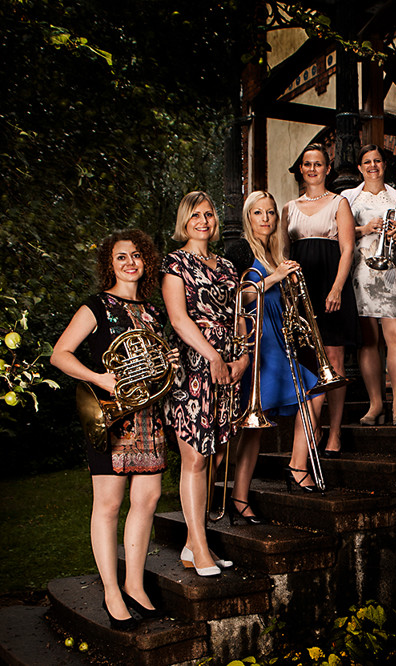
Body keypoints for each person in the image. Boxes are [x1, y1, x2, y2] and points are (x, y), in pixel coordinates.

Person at [51, 229, 175, 628]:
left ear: (146, 262)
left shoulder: (153, 312)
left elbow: (154, 367)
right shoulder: (96, 306)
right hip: (111, 414)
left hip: (147, 415)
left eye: (137, 256)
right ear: (110, 263)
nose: (130, 262)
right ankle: (110, 591)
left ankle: (135, 586)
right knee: (108, 506)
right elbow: (60, 355)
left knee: (149, 498)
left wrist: (167, 359)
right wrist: (100, 378)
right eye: (121, 257)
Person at [162, 191, 246, 577]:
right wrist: (213, 356)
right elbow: (179, 320)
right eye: (196, 215)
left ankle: (191, 545)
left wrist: (242, 355)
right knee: (194, 458)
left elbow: (238, 317)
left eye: (209, 214)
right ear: (185, 220)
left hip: (228, 370)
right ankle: (200, 546)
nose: (204, 220)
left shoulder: (228, 266)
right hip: (194, 368)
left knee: (212, 455)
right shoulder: (174, 263)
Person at [231, 191, 329, 516]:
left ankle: (297, 466)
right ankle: (240, 498)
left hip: (280, 343)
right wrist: (276, 278)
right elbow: (239, 299)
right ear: (249, 217)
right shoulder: (241, 250)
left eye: (270, 213)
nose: (266, 219)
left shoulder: (276, 254)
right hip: (260, 347)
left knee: (313, 394)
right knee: (254, 431)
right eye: (258, 213)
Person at [280, 143, 358, 457]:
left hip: (331, 284)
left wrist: (338, 288)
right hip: (302, 289)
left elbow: (348, 249)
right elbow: (283, 253)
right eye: (307, 164)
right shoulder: (289, 207)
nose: (313, 169)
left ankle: (334, 431)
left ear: (328, 169)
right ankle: (311, 426)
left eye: (319, 164)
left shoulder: (339, 203)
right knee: (308, 361)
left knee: (334, 362)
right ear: (301, 169)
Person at [342, 145, 396, 425]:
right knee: (369, 342)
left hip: (394, 275)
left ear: (384, 164)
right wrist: (364, 229)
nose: (372, 165)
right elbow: (335, 230)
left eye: (377, 161)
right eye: (367, 161)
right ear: (359, 167)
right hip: (362, 274)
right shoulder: (348, 197)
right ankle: (375, 404)